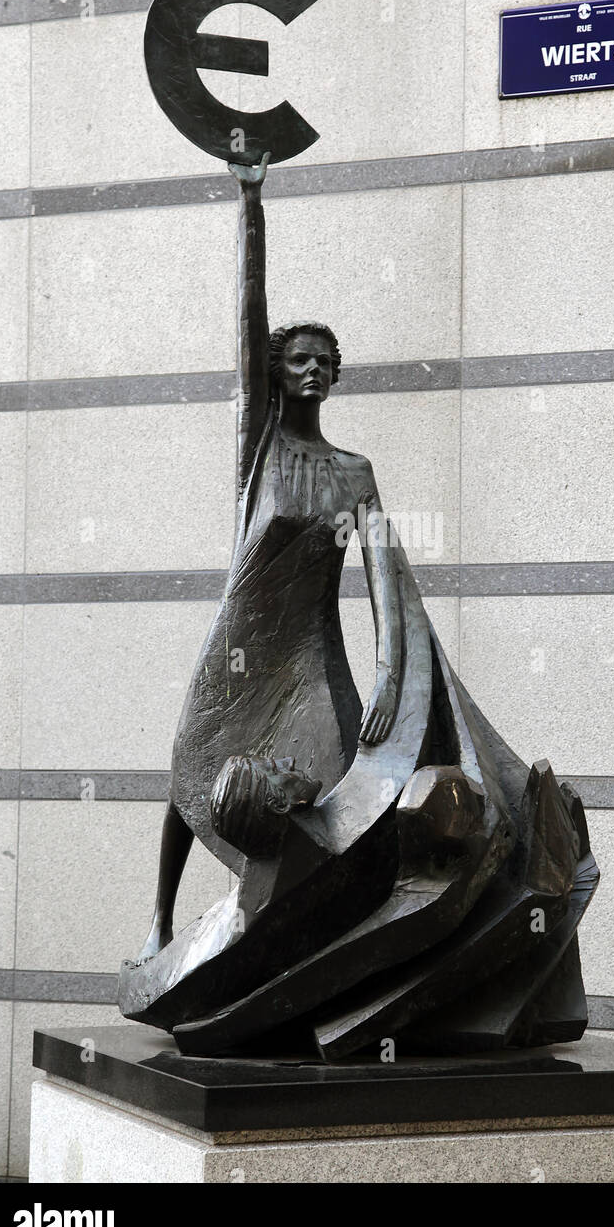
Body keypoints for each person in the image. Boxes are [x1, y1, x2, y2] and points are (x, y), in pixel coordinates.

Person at [136, 154, 404, 962]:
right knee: (194, 764)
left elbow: (383, 573)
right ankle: (159, 916)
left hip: (311, 654)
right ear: (278, 376)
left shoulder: (355, 472)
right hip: (242, 641)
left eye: (326, 360)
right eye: (299, 359)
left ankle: (287, 927)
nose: (313, 368)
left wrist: (390, 666)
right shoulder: (262, 443)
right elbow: (250, 316)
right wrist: (252, 205)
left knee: (327, 783)